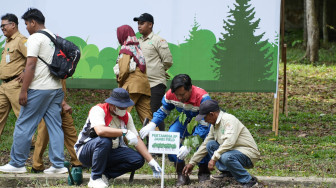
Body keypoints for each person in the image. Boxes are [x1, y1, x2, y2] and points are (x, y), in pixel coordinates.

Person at [0, 8, 66, 174]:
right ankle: (58, 165)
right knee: (55, 126)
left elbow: (30, 65)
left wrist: (23, 91)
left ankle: (17, 163)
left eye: (27, 24)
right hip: (55, 88)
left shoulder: (35, 38)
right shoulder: (52, 36)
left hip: (40, 88)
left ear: (33, 22)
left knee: (23, 124)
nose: (27, 28)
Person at [74, 88, 161, 188]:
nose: (124, 109)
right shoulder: (98, 110)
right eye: (121, 107)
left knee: (137, 159)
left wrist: (151, 161)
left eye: (125, 107)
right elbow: (100, 131)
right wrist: (124, 132)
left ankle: (105, 175)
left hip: (110, 151)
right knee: (105, 140)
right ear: (112, 104)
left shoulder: (126, 116)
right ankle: (95, 178)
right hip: (87, 151)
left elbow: (137, 140)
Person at [140, 74, 211, 186]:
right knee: (171, 139)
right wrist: (153, 123)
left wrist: (189, 144)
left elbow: (204, 126)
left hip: (201, 120)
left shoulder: (203, 98)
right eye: (177, 94)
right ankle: (181, 174)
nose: (179, 98)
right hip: (185, 119)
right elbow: (163, 110)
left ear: (190, 88)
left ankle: (203, 172)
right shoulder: (170, 95)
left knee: (202, 143)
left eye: (182, 94)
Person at [183, 100, 260, 188]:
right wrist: (192, 162)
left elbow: (229, 143)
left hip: (248, 154)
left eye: (205, 117)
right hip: (233, 152)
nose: (205, 120)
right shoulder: (214, 125)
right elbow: (205, 145)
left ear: (212, 114)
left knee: (225, 157)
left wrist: (214, 158)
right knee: (210, 144)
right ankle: (228, 173)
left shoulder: (228, 120)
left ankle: (249, 181)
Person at [32, 80, 82, 173]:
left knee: (70, 134)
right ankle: (37, 165)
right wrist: (63, 103)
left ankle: (78, 161)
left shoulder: (62, 68)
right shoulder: (50, 68)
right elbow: (50, 86)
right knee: (43, 137)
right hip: (49, 107)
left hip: (61, 107)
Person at [134, 13, 173, 131]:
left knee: (155, 112)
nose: (139, 26)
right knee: (145, 113)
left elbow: (168, 60)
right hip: (141, 84)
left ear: (150, 25)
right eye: (138, 24)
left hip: (155, 83)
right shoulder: (137, 42)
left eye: (142, 23)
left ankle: (159, 144)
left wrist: (159, 70)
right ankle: (150, 144)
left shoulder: (158, 40)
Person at [114, 25, 152, 124]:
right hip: (143, 86)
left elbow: (123, 70)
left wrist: (121, 85)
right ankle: (155, 138)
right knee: (147, 118)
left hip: (132, 86)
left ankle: (121, 138)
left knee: (121, 114)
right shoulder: (137, 48)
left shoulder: (125, 49)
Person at [0, 13, 26, 139]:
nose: (2, 28)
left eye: (4, 25)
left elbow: (33, 58)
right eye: (1, 26)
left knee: (21, 115)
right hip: (4, 85)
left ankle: (30, 143)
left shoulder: (21, 40)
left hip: (16, 84)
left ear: (13, 25)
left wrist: (25, 72)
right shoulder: (8, 41)